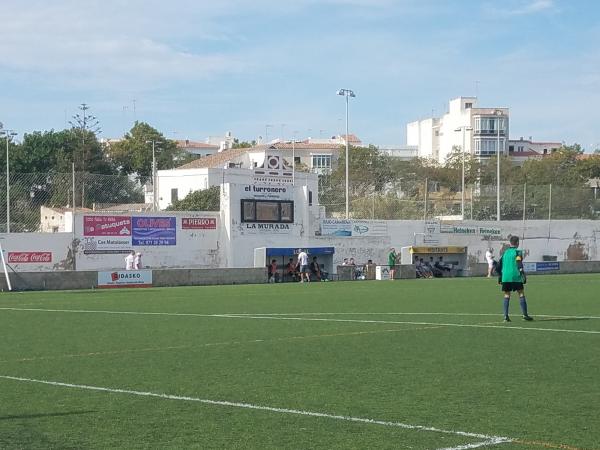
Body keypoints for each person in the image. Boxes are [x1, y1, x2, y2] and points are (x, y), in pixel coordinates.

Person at [496, 236, 533, 322]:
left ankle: (505, 316)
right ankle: (525, 315)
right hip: (516, 276)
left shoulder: (504, 253)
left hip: (506, 277)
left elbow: (498, 266)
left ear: (510, 243)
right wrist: (523, 274)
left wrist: (500, 276)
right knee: (521, 293)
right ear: (517, 243)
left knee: (506, 295)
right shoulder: (518, 252)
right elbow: (519, 263)